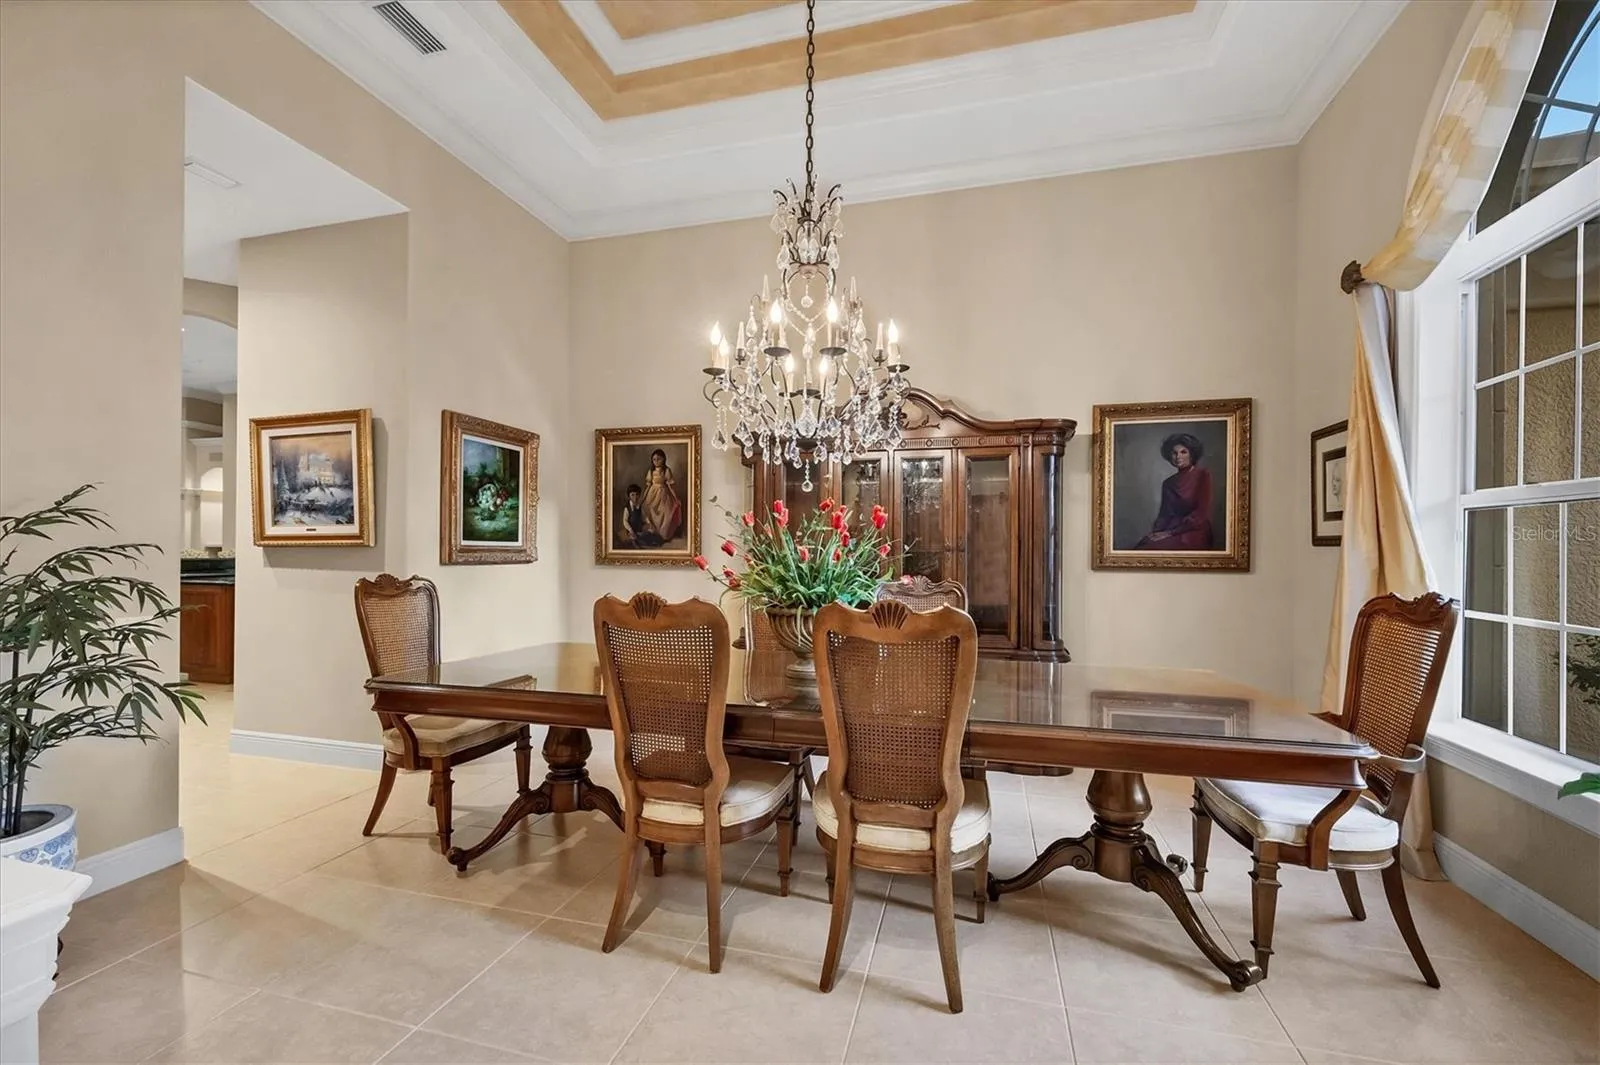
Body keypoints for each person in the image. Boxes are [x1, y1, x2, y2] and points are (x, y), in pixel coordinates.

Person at [1134, 432, 1214, 550]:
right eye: (1174, 453)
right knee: (1143, 545)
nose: (1178, 457)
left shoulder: (1203, 475)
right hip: (1171, 529)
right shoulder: (1168, 483)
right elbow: (1164, 515)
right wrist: (1156, 533)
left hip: (1194, 531)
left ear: (1192, 454)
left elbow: (1200, 515)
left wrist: (1170, 533)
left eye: (1183, 452)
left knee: (1153, 549)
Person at [639, 448, 682, 543]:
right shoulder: (651, 471)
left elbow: (670, 486)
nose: (656, 461)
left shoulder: (666, 470)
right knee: (648, 508)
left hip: (663, 494)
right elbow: (648, 487)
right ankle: (653, 533)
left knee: (666, 512)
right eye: (654, 459)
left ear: (663, 459)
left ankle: (663, 534)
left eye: (659, 459)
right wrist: (643, 499)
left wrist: (676, 498)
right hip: (652, 494)